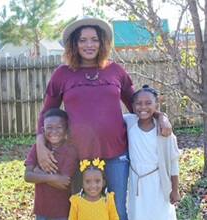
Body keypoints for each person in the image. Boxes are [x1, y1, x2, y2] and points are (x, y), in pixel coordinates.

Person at [35, 16, 172, 220]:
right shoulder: (62, 74)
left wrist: (161, 117)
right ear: (74, 43)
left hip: (115, 154)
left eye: (94, 39)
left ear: (102, 43)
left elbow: (138, 106)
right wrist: (40, 144)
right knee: (80, 209)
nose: (89, 45)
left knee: (117, 209)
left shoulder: (115, 71)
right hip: (76, 155)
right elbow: (47, 113)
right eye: (83, 40)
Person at [123, 85, 180, 220]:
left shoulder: (164, 131)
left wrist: (175, 189)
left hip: (159, 181)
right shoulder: (129, 122)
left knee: (161, 213)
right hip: (136, 181)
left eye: (148, 103)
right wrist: (161, 115)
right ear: (132, 105)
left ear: (156, 104)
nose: (143, 107)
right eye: (139, 103)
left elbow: (173, 162)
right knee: (138, 214)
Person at [24, 108, 78, 220]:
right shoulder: (37, 148)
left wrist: (38, 172)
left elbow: (64, 182)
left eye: (59, 127)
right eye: (49, 127)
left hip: (62, 211)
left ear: (66, 130)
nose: (54, 131)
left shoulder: (70, 151)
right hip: (41, 209)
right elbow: (27, 176)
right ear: (43, 130)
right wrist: (53, 177)